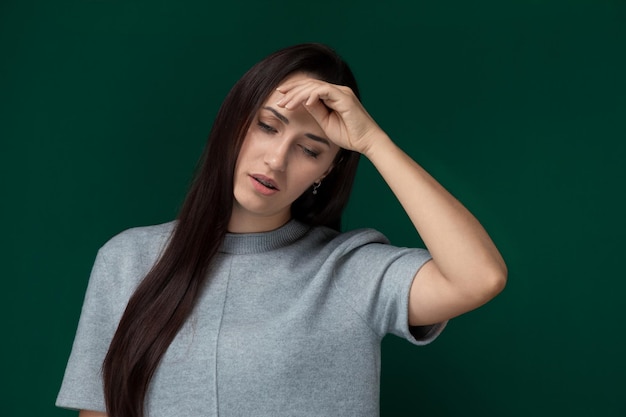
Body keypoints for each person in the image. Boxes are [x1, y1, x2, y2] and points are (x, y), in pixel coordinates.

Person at [56, 43, 507, 417]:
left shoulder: (351, 272)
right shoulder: (129, 260)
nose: (276, 159)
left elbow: (479, 276)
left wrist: (373, 142)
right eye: (267, 126)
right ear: (234, 124)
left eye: (310, 150)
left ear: (327, 171)